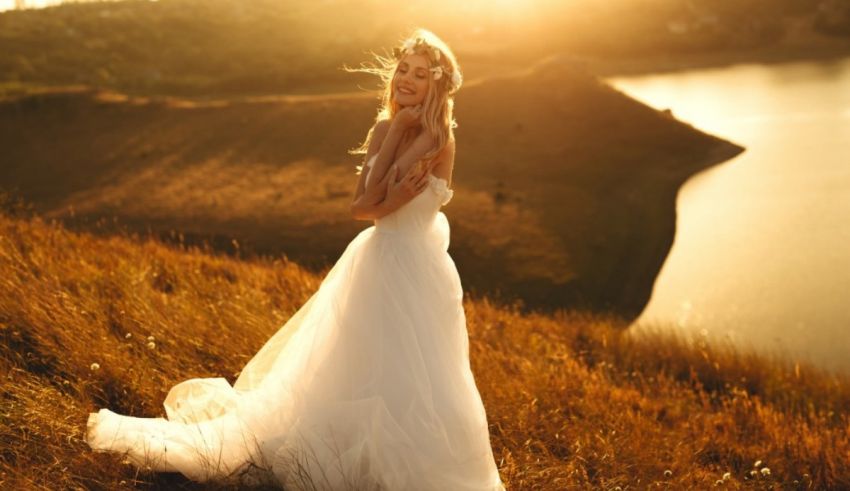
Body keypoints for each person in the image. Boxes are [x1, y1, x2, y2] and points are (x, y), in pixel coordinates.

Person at [86, 28, 506, 490]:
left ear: (436, 85)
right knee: (356, 364)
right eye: (403, 69)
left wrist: (395, 178)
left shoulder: (439, 138)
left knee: (421, 372)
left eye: (420, 74)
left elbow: (389, 201)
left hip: (422, 271)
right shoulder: (385, 129)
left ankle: (407, 466)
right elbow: (364, 208)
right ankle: (345, 457)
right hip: (377, 262)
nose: (406, 79)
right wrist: (393, 139)